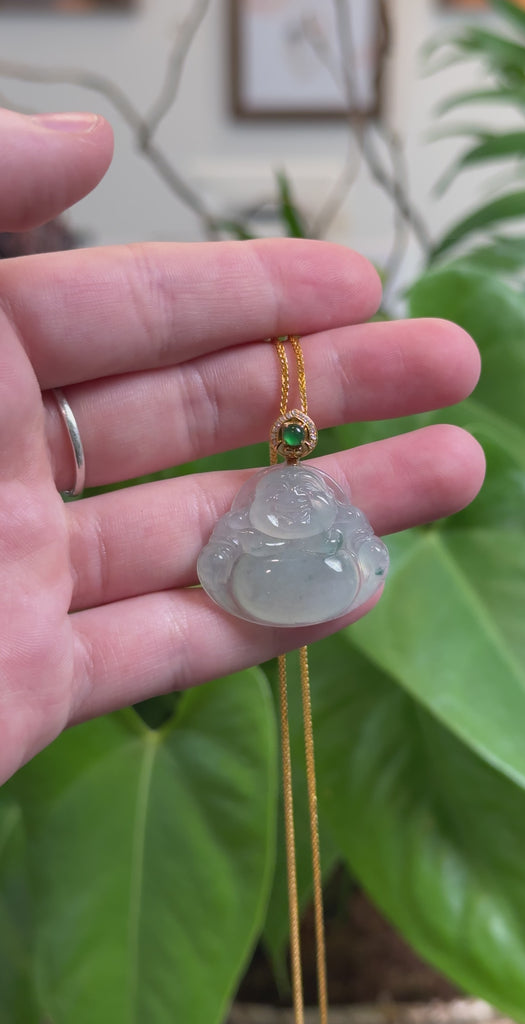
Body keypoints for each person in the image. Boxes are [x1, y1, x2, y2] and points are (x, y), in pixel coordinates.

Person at [0, 107, 484, 787]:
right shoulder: (248, 522)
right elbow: (220, 562)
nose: (295, 508)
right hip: (268, 587)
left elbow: (366, 554)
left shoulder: (329, 521)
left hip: (309, 584)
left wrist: (353, 560)